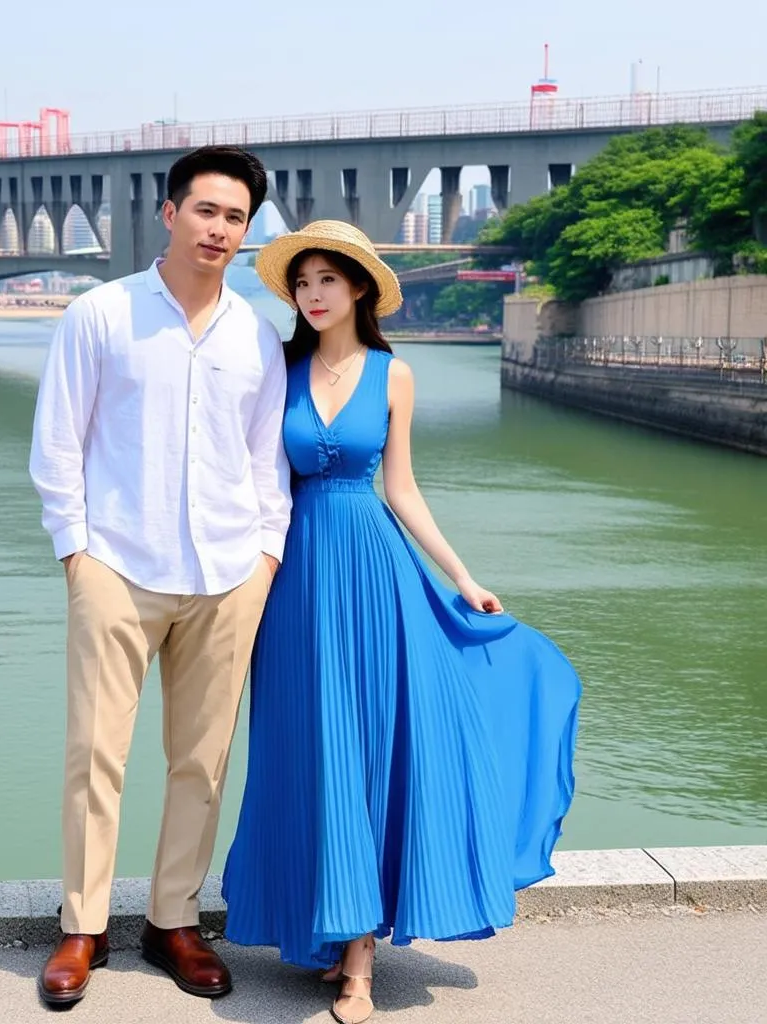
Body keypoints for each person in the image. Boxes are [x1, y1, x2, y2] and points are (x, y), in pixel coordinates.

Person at [221, 220, 582, 1024]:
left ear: (358, 289)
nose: (313, 296)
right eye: (302, 283)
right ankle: (325, 929)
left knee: (367, 751)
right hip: (291, 582)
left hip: (373, 576)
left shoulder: (395, 375)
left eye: (326, 281)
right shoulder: (278, 370)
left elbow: (404, 490)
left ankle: (359, 966)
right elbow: (244, 474)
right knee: (308, 751)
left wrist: (464, 576)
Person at [28, 145, 291, 1008]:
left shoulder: (256, 335)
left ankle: (173, 920)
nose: (220, 229)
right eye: (207, 211)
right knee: (94, 753)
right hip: (117, 562)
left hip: (226, 571)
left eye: (236, 219)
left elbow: (265, 464)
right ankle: (83, 926)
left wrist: (265, 558)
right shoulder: (101, 314)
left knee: (201, 759)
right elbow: (59, 442)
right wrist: (77, 551)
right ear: (170, 213)